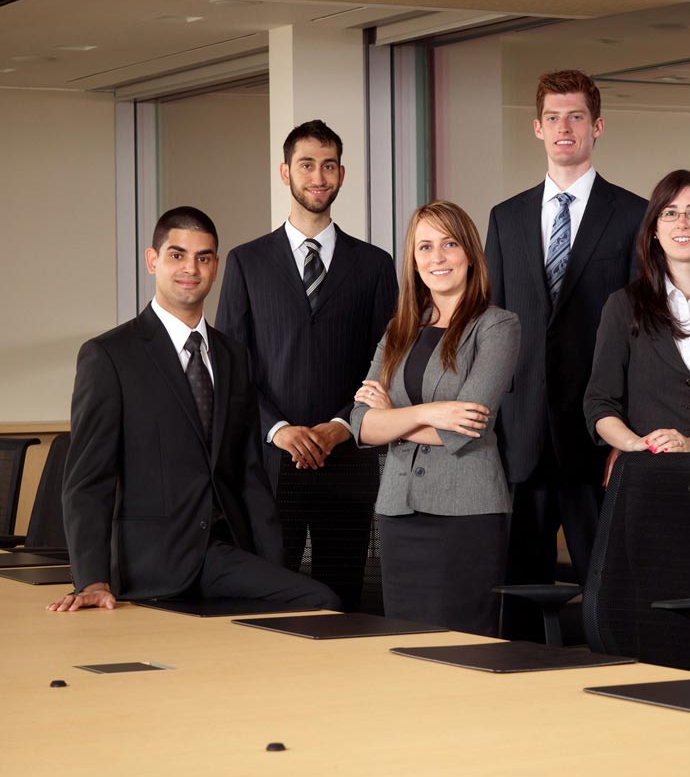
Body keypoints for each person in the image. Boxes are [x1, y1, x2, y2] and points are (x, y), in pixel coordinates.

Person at [50, 207, 338, 612]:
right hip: (147, 564)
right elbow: (88, 480)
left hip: (223, 554)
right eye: (177, 255)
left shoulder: (233, 356)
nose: (191, 268)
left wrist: (273, 569)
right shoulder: (109, 356)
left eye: (203, 257)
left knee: (316, 600)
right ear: (153, 260)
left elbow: (249, 475)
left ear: (216, 267)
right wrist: (92, 579)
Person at [484, 69, 646, 639]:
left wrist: (626, 431)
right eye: (553, 117)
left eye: (576, 116)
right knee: (517, 600)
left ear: (597, 126)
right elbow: (492, 327)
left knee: (612, 594)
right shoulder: (505, 218)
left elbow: (640, 335)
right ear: (536, 128)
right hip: (521, 438)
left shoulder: (633, 215)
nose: (564, 128)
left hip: (595, 436)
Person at [217, 120, 398, 611]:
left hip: (347, 459)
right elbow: (229, 368)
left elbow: (387, 363)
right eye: (306, 165)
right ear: (285, 172)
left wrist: (343, 424)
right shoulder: (246, 263)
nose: (318, 176)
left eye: (329, 165)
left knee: (344, 600)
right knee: (269, 600)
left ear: (341, 175)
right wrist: (277, 429)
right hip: (271, 463)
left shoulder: (375, 265)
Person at [351, 201, 519, 636]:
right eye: (425, 247)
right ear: (413, 260)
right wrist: (428, 412)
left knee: (463, 649)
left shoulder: (498, 327)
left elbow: (465, 428)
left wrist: (394, 418)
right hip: (398, 512)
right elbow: (362, 425)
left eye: (449, 244)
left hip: (466, 514)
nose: (437, 257)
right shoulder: (398, 331)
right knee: (403, 648)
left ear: (469, 253)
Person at [585, 170, 690, 466]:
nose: (682, 223)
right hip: (647, 478)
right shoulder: (623, 306)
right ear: (653, 228)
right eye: (670, 212)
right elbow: (600, 403)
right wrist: (636, 445)